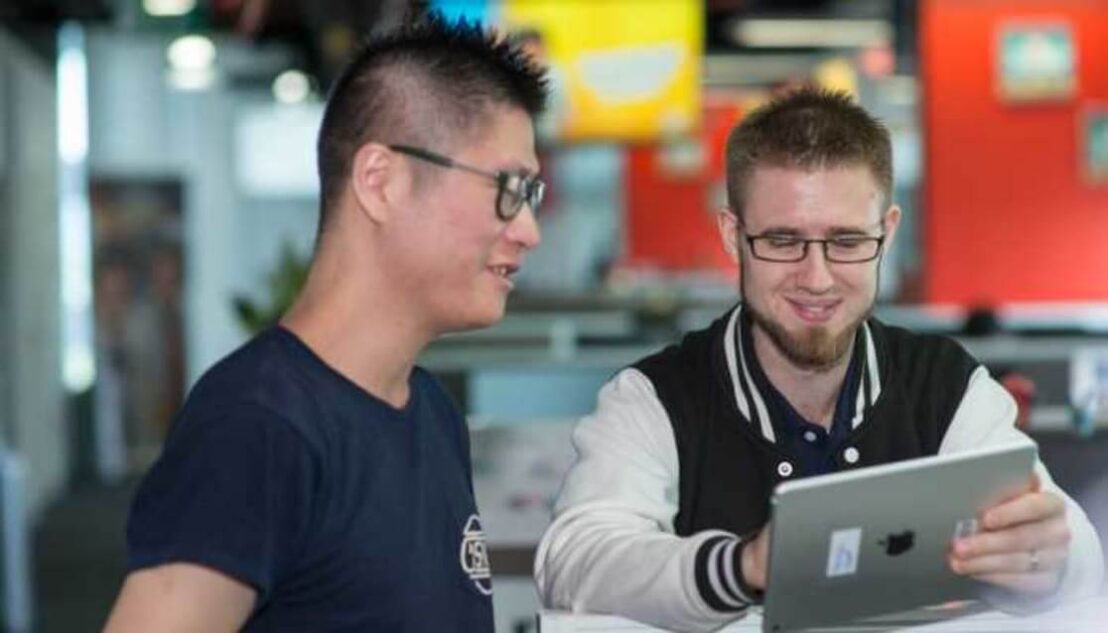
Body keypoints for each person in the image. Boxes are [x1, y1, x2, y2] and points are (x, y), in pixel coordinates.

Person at [533, 88, 1103, 631]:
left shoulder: (945, 386)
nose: (817, 277)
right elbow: (575, 560)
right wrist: (744, 568)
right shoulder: (656, 397)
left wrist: (1048, 560)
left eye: (847, 241)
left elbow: (1076, 557)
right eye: (783, 241)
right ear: (733, 236)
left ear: (887, 231)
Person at [104, 12, 547, 632]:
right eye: (509, 188)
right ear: (380, 181)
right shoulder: (259, 425)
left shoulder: (433, 416)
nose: (528, 230)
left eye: (532, 196)